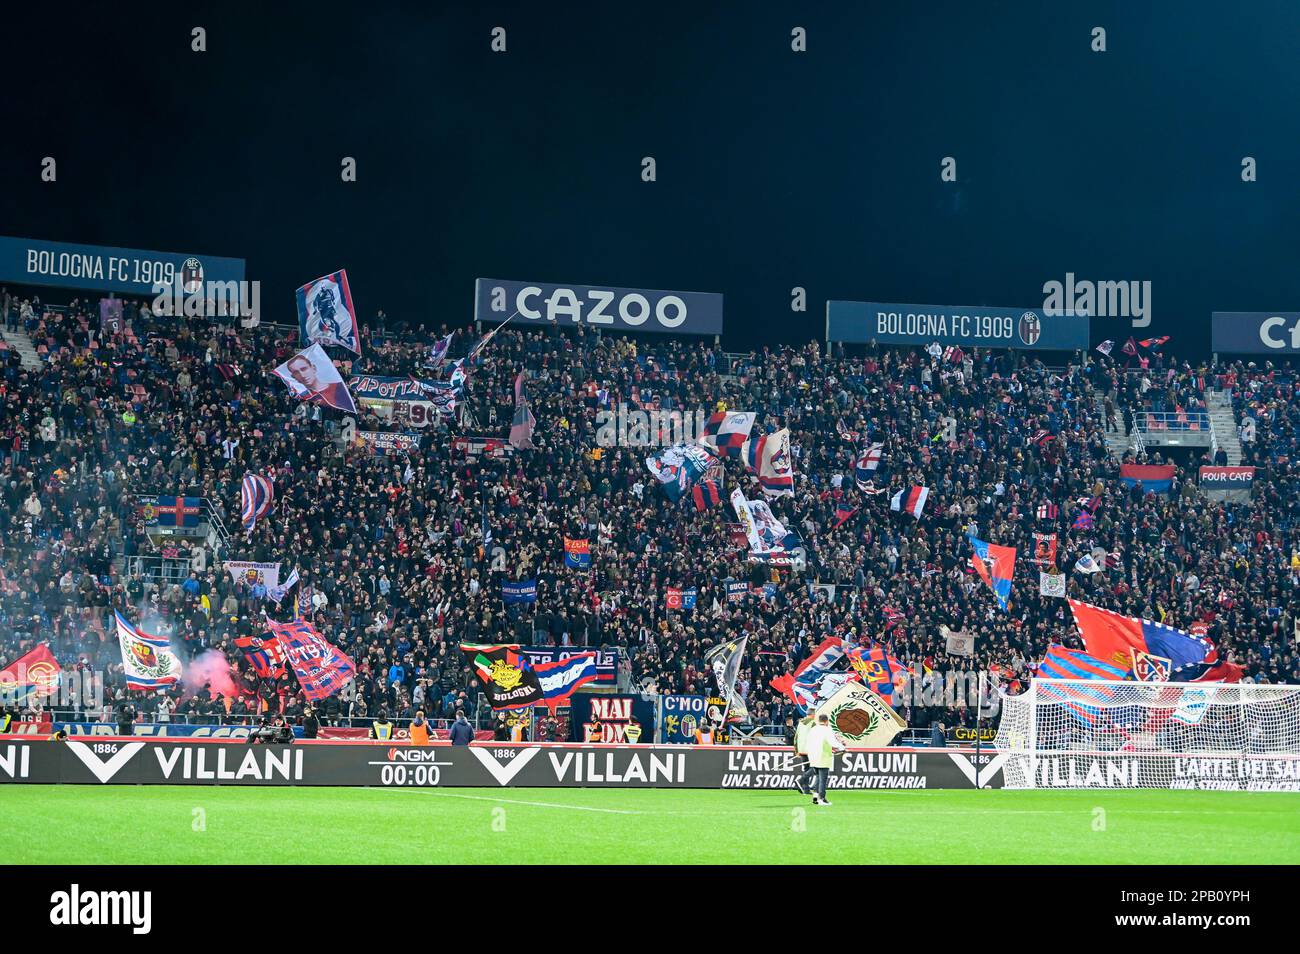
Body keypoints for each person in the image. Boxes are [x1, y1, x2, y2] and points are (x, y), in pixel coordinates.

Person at [284, 352, 353, 412]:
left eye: (304, 369)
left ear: (313, 368)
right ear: (293, 377)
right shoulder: (302, 395)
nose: (302, 375)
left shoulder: (338, 387)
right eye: (296, 373)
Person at [804, 713, 843, 806]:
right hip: (823, 757)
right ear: (826, 721)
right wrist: (841, 747)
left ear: (819, 720)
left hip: (813, 757)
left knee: (818, 778)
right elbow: (832, 742)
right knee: (823, 779)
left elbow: (808, 742)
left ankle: (815, 798)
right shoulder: (827, 730)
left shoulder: (813, 729)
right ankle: (822, 799)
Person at [792, 712, 817, 796]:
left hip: (801, 749)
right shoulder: (813, 723)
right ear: (813, 714)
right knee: (815, 768)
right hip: (810, 749)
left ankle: (806, 789)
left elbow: (796, 737)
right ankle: (800, 780)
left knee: (807, 769)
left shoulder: (800, 724)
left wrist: (796, 750)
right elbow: (816, 737)